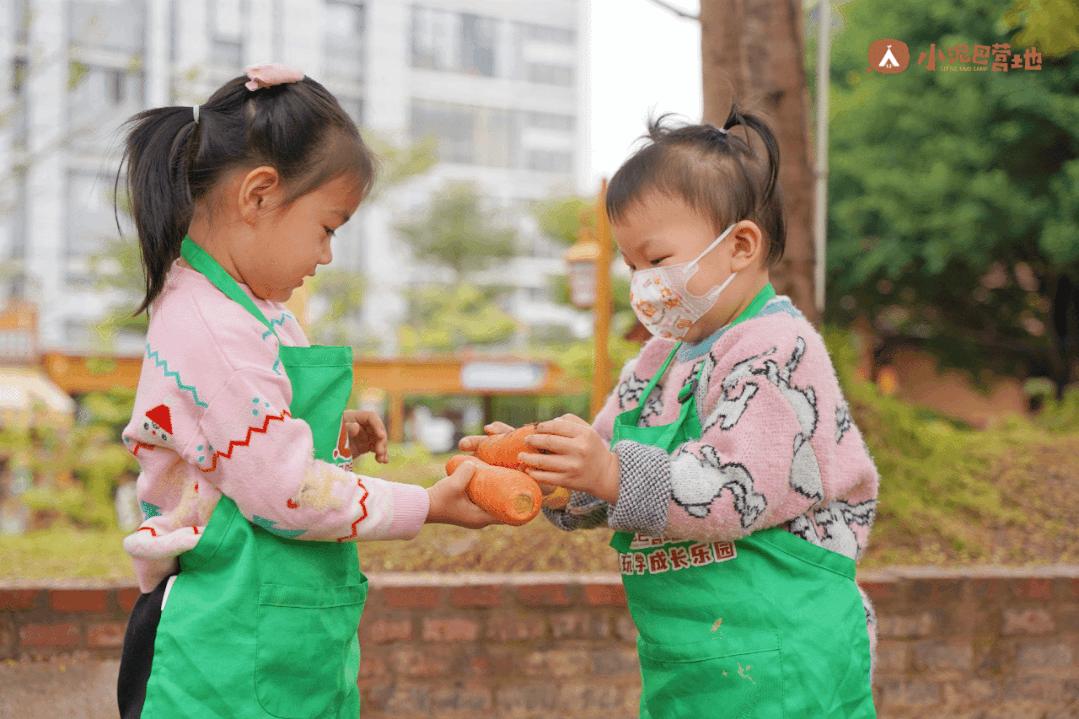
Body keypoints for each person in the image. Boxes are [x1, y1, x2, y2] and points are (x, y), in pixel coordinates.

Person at [467, 108, 879, 718]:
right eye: (631, 267)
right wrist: (553, 476)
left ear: (740, 245)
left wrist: (606, 473)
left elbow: (733, 490)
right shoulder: (658, 360)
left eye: (656, 261)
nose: (641, 283)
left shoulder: (776, 351)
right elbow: (607, 466)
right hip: (692, 660)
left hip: (783, 653)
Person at [115, 64, 496, 719]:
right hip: (224, 648)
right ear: (259, 194)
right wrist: (427, 504)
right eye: (327, 227)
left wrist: (326, 427)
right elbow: (284, 488)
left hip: (273, 635)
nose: (325, 256)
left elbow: (242, 442)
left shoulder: (246, 311)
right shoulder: (213, 325)